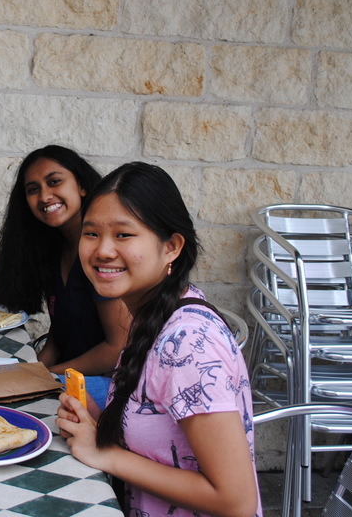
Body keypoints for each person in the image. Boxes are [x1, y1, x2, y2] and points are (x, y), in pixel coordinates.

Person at [56, 162, 260, 517]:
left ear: (171, 247)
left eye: (123, 234)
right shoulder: (154, 314)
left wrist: (104, 453)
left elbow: (237, 501)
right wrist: (101, 423)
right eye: (91, 234)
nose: (103, 250)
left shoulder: (186, 343)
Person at [0, 146, 130, 404]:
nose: (44, 196)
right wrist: (35, 370)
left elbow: (116, 349)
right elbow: (62, 329)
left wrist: (46, 375)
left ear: (82, 186)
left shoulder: (102, 254)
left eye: (54, 182)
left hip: (114, 387)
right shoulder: (56, 249)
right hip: (72, 376)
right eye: (33, 189)